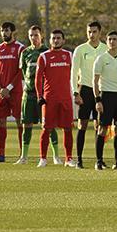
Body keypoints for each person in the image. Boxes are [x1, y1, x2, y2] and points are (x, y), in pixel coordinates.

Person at [16, 25, 59, 165]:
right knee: (26, 125)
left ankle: (56, 156)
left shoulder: (46, 52)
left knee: (48, 126)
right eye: (31, 35)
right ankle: (24, 157)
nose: (33, 38)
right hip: (28, 94)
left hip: (44, 95)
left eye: (36, 35)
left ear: (41, 36)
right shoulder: (25, 53)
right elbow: (24, 73)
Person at [35, 29, 76, 168]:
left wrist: (77, 91)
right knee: (46, 129)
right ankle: (43, 158)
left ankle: (68, 159)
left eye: (58, 38)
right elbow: (38, 78)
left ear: (63, 40)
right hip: (49, 99)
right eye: (53, 38)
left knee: (68, 129)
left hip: (65, 98)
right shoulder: (44, 56)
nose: (56, 40)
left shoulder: (69, 55)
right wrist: (40, 96)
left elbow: (76, 75)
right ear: (50, 40)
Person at [72, 20, 108, 168]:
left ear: (99, 33)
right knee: (82, 124)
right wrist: (75, 92)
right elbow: (74, 72)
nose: (91, 34)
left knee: (100, 125)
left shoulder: (105, 48)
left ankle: (99, 159)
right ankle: (79, 160)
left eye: (94, 32)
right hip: (85, 89)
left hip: (100, 91)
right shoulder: (80, 49)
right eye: (89, 32)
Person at [93, 30, 117, 170]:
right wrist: (98, 100)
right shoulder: (101, 59)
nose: (112, 42)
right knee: (102, 129)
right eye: (109, 39)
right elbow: (95, 81)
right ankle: (99, 161)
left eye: (114, 39)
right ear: (106, 42)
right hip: (106, 96)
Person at [0, 22, 25, 162]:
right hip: (1, 93)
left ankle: (23, 154)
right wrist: (0, 88)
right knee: (0, 122)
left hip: (15, 92)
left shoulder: (20, 48)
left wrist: (9, 88)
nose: (4, 33)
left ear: (13, 32)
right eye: (2, 31)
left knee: (20, 122)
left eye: (6, 30)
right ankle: (1, 154)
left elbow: (21, 72)